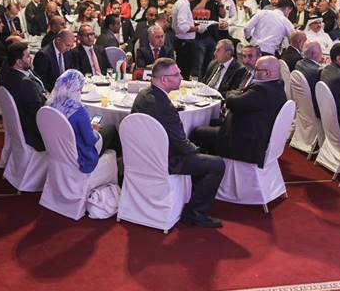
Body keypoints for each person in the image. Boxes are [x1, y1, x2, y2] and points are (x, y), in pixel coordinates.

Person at [131, 58, 224, 227]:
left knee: (199, 147)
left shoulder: (143, 94)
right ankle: (195, 212)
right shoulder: (165, 107)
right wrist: (197, 150)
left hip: (142, 155)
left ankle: (190, 195)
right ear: (164, 79)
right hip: (165, 160)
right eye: (176, 74)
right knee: (217, 164)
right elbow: (181, 145)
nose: (181, 77)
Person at [190, 55, 286, 165]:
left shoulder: (262, 89)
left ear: (267, 73)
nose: (254, 72)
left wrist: (232, 93)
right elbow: (241, 96)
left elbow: (233, 103)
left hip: (243, 142)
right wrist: (238, 93)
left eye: (257, 69)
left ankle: (205, 167)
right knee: (210, 122)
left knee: (197, 132)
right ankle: (216, 162)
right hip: (255, 134)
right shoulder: (278, 86)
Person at [46, 70, 118, 175]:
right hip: (79, 155)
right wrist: (95, 131)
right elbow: (90, 140)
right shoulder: (79, 110)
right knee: (111, 130)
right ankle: (117, 171)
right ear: (78, 88)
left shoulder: (49, 105)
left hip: (57, 150)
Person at [0, 42, 47, 152]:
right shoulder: (25, 83)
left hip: (20, 127)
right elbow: (39, 111)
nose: (31, 58)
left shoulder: (9, 75)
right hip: (33, 133)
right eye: (28, 56)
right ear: (19, 62)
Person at [172, 0, 211, 79]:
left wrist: (194, 24)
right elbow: (183, 27)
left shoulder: (179, 3)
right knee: (184, 72)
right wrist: (198, 28)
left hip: (181, 41)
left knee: (183, 70)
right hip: (185, 42)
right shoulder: (184, 4)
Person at [294, 42, 323, 107]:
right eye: (320, 52)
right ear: (313, 54)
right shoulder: (318, 71)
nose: (322, 54)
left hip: (301, 102)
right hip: (315, 105)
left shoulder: (298, 63)